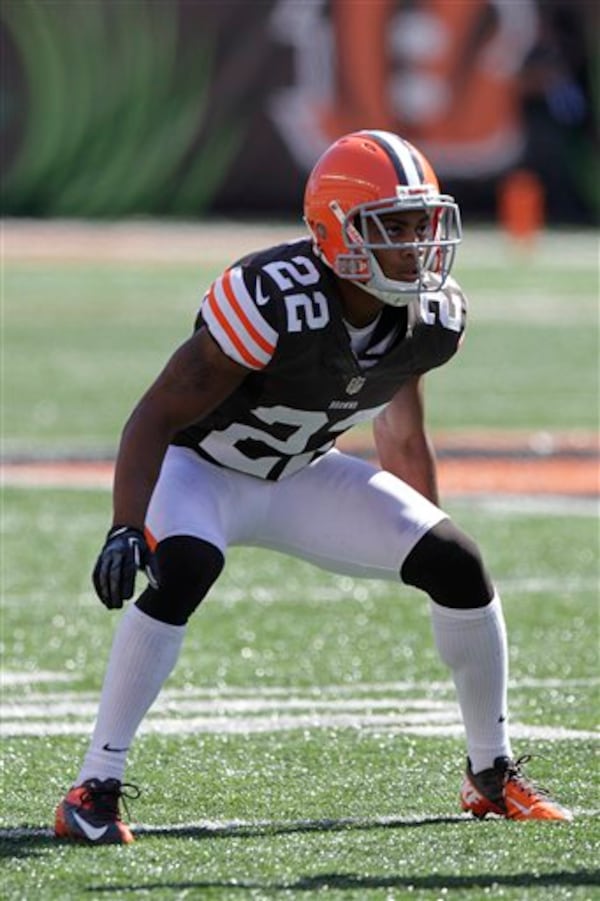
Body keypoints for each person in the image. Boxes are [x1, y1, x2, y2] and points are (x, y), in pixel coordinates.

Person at [55, 130, 571, 844]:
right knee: (188, 567)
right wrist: (123, 522)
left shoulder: (431, 316)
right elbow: (157, 412)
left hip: (300, 472)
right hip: (201, 471)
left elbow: (400, 433)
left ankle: (490, 772)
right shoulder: (271, 296)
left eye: (422, 223)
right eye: (393, 225)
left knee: (457, 561)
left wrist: (421, 534)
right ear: (338, 230)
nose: (416, 243)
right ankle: (94, 784)